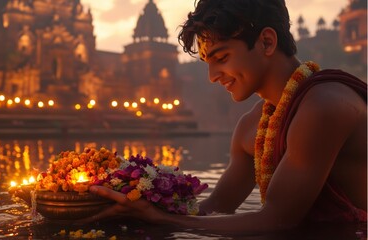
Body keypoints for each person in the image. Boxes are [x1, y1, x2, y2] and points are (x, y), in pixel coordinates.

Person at [87, 0, 367, 234]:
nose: (212, 77)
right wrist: (132, 200)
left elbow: (277, 220)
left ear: (267, 42)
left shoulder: (325, 105)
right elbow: (215, 208)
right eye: (207, 63)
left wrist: (163, 219)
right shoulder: (251, 125)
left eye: (222, 58)